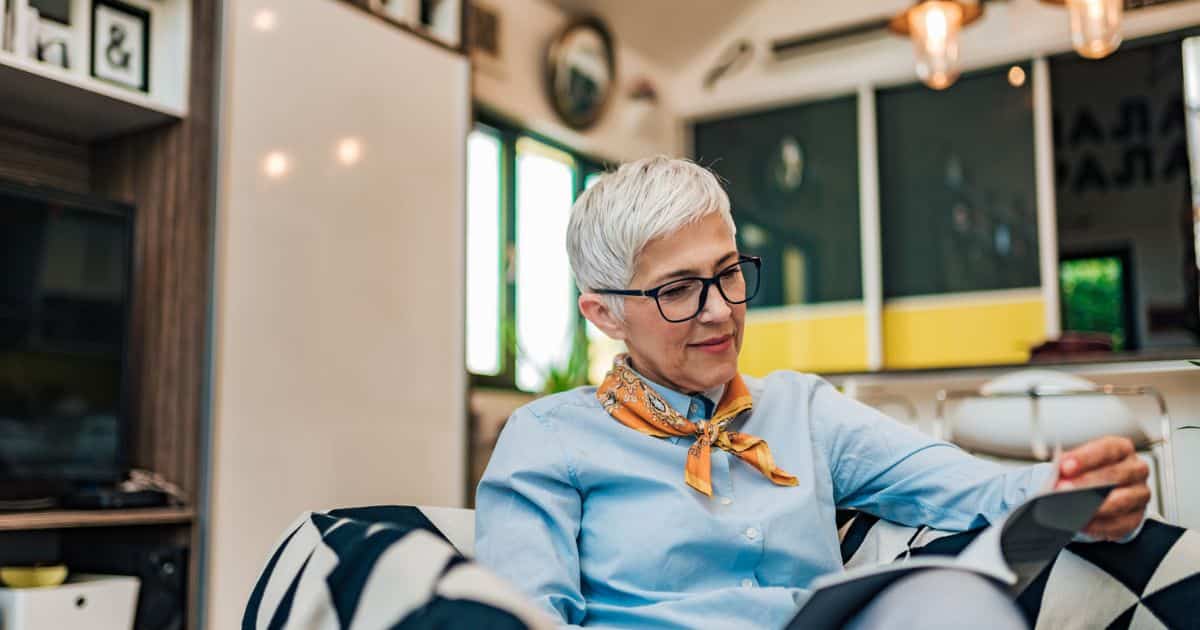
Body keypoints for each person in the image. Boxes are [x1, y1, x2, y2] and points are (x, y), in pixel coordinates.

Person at [475, 157, 1150, 629]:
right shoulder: (550, 439)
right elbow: (521, 618)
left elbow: (973, 489)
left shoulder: (802, 410)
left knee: (958, 602)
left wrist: (1074, 494)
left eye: (729, 273)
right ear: (604, 315)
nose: (719, 311)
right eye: (678, 290)